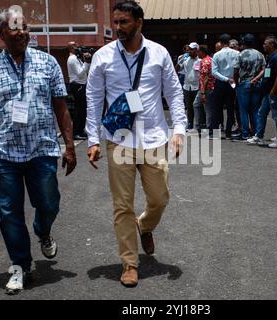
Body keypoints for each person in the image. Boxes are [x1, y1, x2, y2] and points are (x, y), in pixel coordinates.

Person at [0, 8, 77, 295]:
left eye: (25, 27)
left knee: (49, 202)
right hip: (5, 154)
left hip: (42, 149)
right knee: (9, 213)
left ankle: (43, 230)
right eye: (15, 28)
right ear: (1, 33)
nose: (22, 32)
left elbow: (61, 107)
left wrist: (69, 146)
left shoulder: (48, 63)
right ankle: (20, 265)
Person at [85, 0, 187, 288]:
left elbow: (174, 93)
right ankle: (130, 263)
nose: (118, 28)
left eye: (124, 22)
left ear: (139, 23)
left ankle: (144, 226)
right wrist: (92, 139)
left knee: (159, 197)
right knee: (122, 205)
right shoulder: (103, 56)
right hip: (118, 140)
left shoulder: (159, 53)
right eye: (115, 22)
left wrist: (179, 129)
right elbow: (93, 99)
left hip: (154, 137)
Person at [247, 35, 277, 148]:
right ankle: (259, 136)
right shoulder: (270, 57)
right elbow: (267, 72)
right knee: (262, 113)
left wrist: (273, 91)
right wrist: (258, 79)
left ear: (272, 45)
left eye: (266, 44)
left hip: (274, 93)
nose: (264, 45)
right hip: (268, 93)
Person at [233, 34, 265, 141]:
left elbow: (236, 71)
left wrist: (237, 82)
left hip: (243, 83)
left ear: (243, 43)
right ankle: (256, 133)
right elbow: (264, 69)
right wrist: (256, 78)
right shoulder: (260, 54)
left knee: (244, 110)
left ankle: (245, 133)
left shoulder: (241, 55)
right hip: (256, 84)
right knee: (255, 109)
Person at [211, 33, 239, 139]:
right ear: (229, 42)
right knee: (231, 108)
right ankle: (228, 133)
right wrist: (232, 79)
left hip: (221, 82)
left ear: (221, 43)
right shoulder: (237, 53)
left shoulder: (217, 55)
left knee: (217, 108)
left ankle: (214, 133)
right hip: (233, 83)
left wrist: (226, 79)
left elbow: (214, 72)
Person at [67, 41, 92, 140]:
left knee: (83, 110)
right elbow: (80, 73)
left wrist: (87, 61)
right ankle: (76, 132)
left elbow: (86, 70)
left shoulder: (77, 58)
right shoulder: (72, 59)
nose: (79, 47)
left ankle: (81, 130)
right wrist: (86, 62)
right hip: (78, 85)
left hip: (81, 85)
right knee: (79, 110)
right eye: (76, 46)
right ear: (72, 48)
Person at [178, 42, 201, 130]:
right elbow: (177, 69)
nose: (190, 51)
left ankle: (198, 125)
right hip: (187, 87)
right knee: (189, 107)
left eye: (192, 49)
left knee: (197, 107)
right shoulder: (186, 60)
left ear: (196, 50)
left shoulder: (200, 61)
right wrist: (180, 61)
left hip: (197, 87)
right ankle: (190, 124)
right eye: (189, 49)